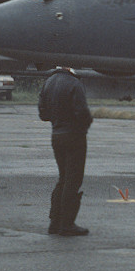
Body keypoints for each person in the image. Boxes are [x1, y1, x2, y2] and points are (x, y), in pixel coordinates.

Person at [38, 66, 91, 236]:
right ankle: (67, 224)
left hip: (56, 135)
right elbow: (82, 112)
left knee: (63, 177)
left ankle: (55, 222)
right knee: (73, 179)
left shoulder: (48, 82)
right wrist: (85, 125)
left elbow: (43, 114)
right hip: (74, 135)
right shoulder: (74, 84)